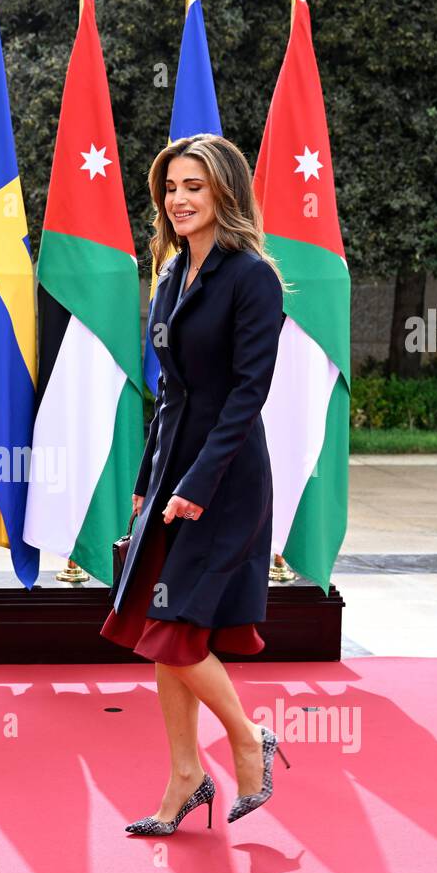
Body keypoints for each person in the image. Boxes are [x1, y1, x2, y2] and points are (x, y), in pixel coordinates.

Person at [100, 134, 290, 835]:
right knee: (160, 624)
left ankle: (247, 738)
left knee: (177, 626)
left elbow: (247, 394)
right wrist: (151, 481)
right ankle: (186, 775)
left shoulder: (253, 277)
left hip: (228, 477)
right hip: (174, 472)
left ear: (225, 194)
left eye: (194, 188)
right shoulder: (173, 272)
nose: (178, 199)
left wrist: (199, 482)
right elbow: (170, 393)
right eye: (171, 188)